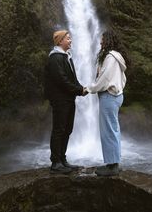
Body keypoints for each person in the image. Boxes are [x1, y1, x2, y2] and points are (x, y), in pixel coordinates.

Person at [44, 30, 87, 174]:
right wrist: (79, 90)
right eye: (68, 38)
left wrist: (81, 88)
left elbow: (72, 78)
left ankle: (62, 159)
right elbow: (62, 80)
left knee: (67, 129)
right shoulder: (55, 58)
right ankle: (55, 162)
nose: (70, 41)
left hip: (68, 99)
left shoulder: (66, 57)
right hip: (60, 100)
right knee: (59, 129)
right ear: (60, 41)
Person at [87, 29, 128, 176]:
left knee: (108, 131)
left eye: (102, 39)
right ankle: (114, 162)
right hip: (115, 96)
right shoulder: (117, 57)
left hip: (109, 96)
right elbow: (123, 78)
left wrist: (89, 89)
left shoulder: (110, 58)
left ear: (108, 40)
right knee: (113, 129)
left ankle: (112, 166)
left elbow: (103, 79)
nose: (100, 42)